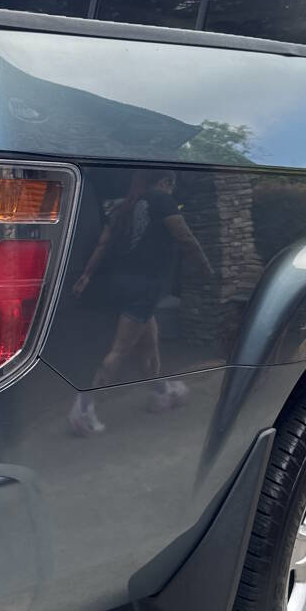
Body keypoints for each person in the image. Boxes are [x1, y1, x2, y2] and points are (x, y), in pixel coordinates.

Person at [68, 170, 212, 435]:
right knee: (120, 350)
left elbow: (103, 244)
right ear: (166, 181)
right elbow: (184, 237)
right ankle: (84, 407)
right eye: (172, 183)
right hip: (144, 286)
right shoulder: (162, 199)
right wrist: (206, 267)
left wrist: (86, 275)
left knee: (149, 343)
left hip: (119, 282)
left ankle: (162, 392)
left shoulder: (126, 204)